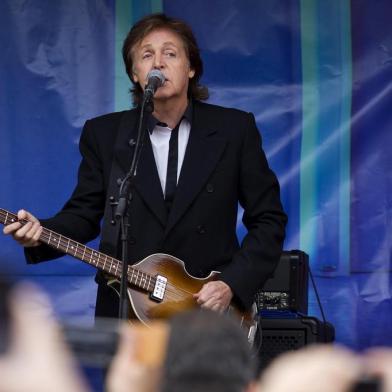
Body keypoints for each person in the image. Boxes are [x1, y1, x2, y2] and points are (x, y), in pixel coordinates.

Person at [2, 13, 287, 320]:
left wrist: (231, 284)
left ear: (191, 68)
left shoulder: (234, 129)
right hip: (127, 307)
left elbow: (268, 219)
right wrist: (39, 231)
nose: (158, 62)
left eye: (171, 53)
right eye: (146, 54)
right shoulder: (106, 134)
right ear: (135, 74)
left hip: (206, 309)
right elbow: (84, 215)